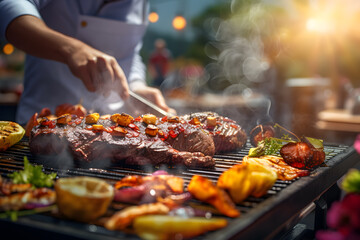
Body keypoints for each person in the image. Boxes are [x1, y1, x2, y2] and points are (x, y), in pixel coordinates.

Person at [0, 0, 175, 124]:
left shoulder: (141, 4)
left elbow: (130, 52)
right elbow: (7, 7)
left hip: (109, 135)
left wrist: (137, 86)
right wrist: (71, 49)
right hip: (43, 123)